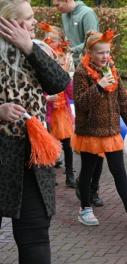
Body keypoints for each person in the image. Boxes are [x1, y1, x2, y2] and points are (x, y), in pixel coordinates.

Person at [0, 0, 72, 264]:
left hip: (32, 149)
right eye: (25, 19)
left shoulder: (37, 48)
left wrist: (29, 47)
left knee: (34, 231)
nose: (32, 23)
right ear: (6, 23)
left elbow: (58, 82)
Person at [72, 30, 127, 228]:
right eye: (100, 53)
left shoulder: (112, 69)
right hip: (90, 131)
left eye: (107, 52)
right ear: (89, 53)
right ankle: (85, 209)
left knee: (119, 171)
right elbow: (80, 103)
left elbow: (123, 102)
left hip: (111, 130)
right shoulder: (82, 73)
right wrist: (98, 86)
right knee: (88, 171)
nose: (105, 56)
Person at [52, 0, 103, 206]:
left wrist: (70, 49)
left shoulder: (87, 13)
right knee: (80, 129)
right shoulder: (65, 15)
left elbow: (93, 41)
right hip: (73, 73)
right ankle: (85, 184)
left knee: (96, 137)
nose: (56, 7)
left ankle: (91, 187)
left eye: (58, 3)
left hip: (89, 72)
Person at [39, 22, 77, 188]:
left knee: (67, 144)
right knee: (50, 142)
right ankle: (50, 174)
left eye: (53, 39)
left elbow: (71, 89)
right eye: (47, 38)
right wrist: (46, 98)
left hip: (63, 109)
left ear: (61, 41)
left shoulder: (66, 59)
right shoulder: (40, 59)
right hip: (48, 108)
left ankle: (70, 175)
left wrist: (69, 76)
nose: (49, 41)